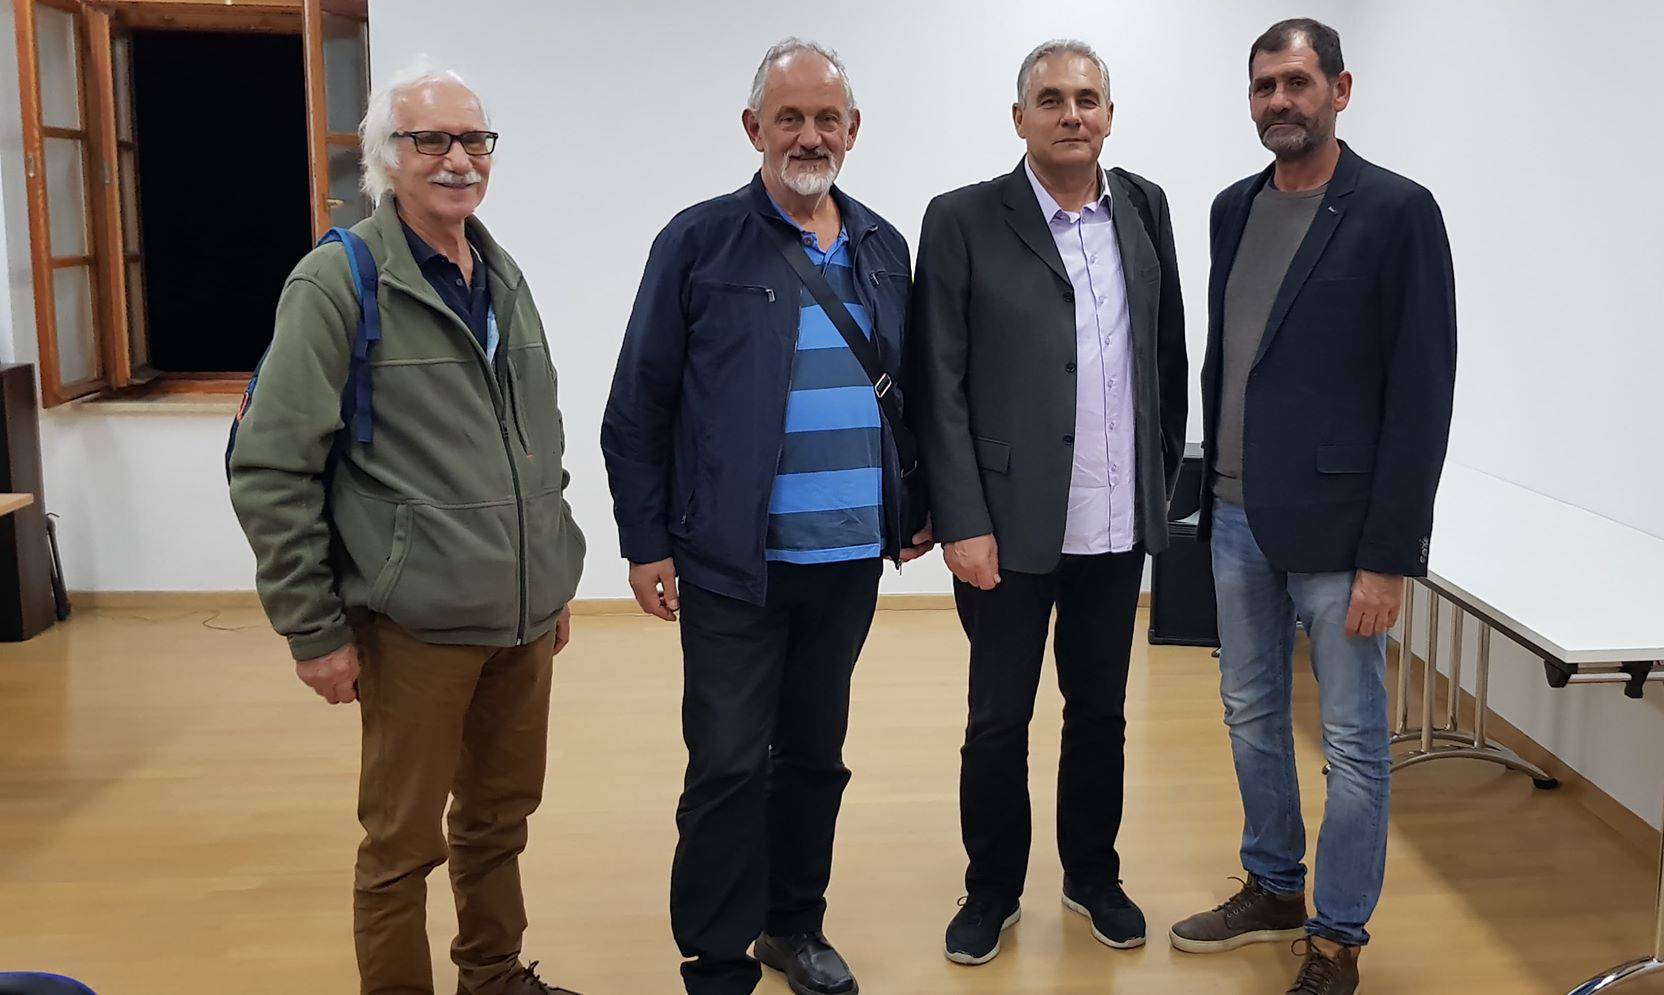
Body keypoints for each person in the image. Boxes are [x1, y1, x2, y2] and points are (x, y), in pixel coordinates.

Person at [228, 65, 585, 995]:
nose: (458, 159)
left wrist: (550, 575)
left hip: (518, 617)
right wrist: (313, 628)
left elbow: (536, 441)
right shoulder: (338, 281)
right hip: (413, 625)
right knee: (401, 844)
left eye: (473, 139)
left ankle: (492, 977)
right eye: (431, 140)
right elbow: (271, 466)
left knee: (500, 818)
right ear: (386, 156)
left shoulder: (500, 274)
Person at [600, 37, 929, 995]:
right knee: (728, 765)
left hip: (849, 556)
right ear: (754, 128)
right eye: (789, 117)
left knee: (815, 757)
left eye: (827, 118)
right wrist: (645, 541)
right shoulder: (697, 241)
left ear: (853, 130)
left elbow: (910, 392)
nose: (809, 135)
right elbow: (639, 403)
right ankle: (715, 958)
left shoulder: (882, 246)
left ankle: (794, 924)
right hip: (730, 560)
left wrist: (917, 504)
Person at [1166, 18, 1458, 995]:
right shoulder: (1231, 208)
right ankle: (1274, 883)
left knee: (1353, 741)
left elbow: (1420, 392)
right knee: (1249, 710)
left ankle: (1337, 938)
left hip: (1341, 535)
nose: (1279, 101)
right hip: (1235, 514)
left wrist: (1390, 555)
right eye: (1264, 87)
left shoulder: (1395, 211)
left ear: (1340, 88)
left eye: (1296, 82)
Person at [909, 38, 1188, 967]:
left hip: (1115, 521)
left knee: (1099, 712)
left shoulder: (1143, 207)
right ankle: (991, 886)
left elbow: (1166, 354)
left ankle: (1092, 874)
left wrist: (1157, 486)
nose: (1073, 113)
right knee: (998, 718)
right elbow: (938, 380)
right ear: (1019, 117)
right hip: (1006, 527)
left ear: (1109, 114)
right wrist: (961, 518)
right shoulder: (962, 218)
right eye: (1053, 99)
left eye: (1088, 98)